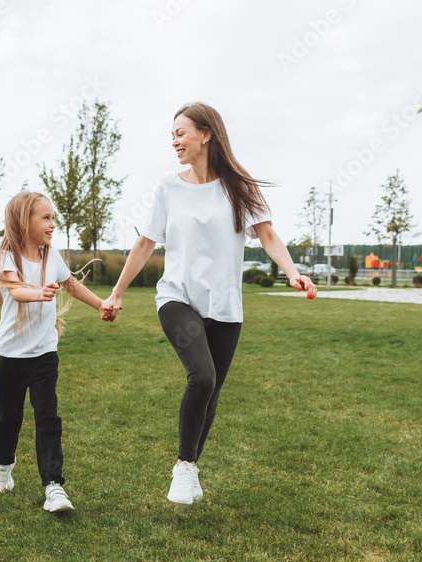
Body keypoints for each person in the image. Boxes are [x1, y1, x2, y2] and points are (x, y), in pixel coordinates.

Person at [100, 102, 316, 505]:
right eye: (172, 134)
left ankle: (192, 466)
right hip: (177, 298)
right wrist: (116, 292)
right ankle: (183, 467)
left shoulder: (239, 186)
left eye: (180, 132)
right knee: (201, 376)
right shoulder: (168, 187)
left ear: (206, 134)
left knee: (211, 392)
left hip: (225, 306)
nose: (174, 140)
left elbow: (267, 236)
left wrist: (292, 271)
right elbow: (146, 242)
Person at [0, 190, 115, 512]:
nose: (52, 224)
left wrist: (101, 304)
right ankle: (3, 467)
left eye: (53, 218)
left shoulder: (52, 256)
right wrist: (39, 293)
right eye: (45, 218)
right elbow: (16, 291)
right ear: (24, 221)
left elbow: (71, 284)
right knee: (8, 419)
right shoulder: (8, 256)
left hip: (44, 354)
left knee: (48, 417)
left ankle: (54, 487)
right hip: (10, 356)